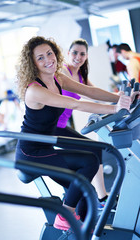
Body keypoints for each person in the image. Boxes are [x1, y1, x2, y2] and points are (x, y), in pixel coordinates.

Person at [15, 36, 131, 231]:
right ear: (32, 63)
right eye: (40, 58)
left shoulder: (57, 78)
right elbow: (74, 103)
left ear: (56, 54)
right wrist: (114, 109)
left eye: (50, 53)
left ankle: (87, 231)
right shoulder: (34, 90)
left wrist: (120, 99)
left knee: (87, 191)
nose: (48, 60)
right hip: (30, 153)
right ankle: (64, 215)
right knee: (89, 161)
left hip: (46, 146)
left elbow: (87, 91)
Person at [55, 39, 108, 212]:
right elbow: (83, 97)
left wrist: (122, 97)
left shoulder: (81, 76)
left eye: (82, 54)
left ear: (86, 56)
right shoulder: (63, 71)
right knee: (93, 150)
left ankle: (102, 196)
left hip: (62, 126)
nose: (78, 57)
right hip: (53, 128)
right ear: (68, 54)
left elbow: (95, 95)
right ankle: (101, 197)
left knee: (96, 148)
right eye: (75, 53)